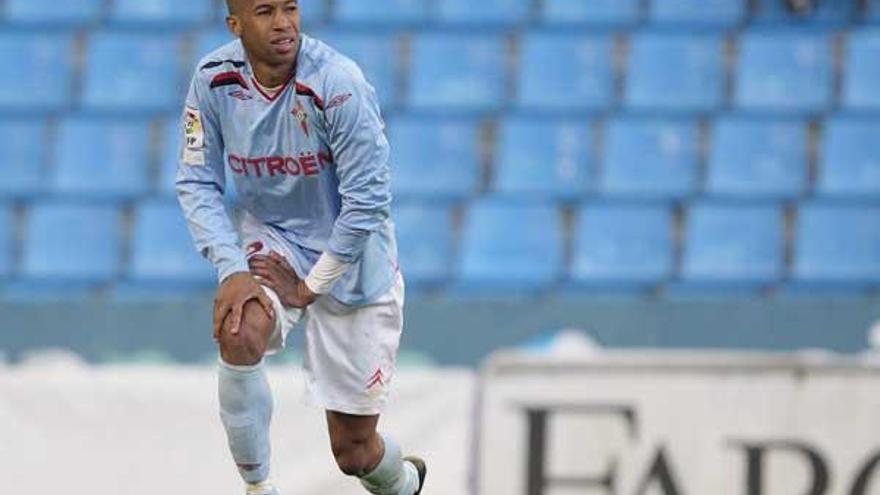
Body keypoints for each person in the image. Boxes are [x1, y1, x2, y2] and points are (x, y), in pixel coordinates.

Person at [175, 0, 426, 493]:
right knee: (238, 327)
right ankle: (258, 487)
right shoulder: (212, 79)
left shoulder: (339, 84)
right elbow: (196, 181)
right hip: (274, 240)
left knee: (354, 454)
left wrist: (312, 285)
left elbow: (369, 202)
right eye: (265, 11)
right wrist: (232, 268)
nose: (283, 23)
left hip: (353, 263)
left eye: (290, 7)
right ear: (235, 24)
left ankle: (406, 484)